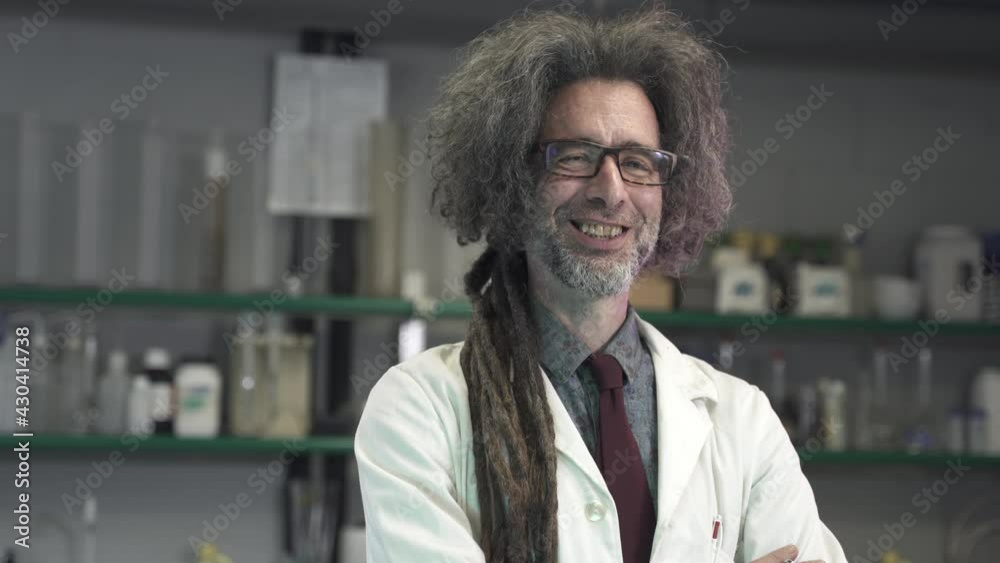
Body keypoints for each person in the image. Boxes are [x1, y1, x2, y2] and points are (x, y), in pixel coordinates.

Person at [355, 6, 848, 563]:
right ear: (513, 180)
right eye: (575, 156)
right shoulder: (419, 409)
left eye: (638, 162)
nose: (611, 191)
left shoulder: (742, 421)